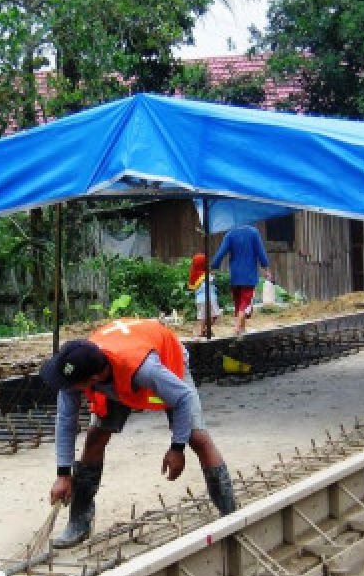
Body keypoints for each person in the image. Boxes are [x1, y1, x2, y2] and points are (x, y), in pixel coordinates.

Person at [40, 318, 237, 549]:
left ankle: (230, 515)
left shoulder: (146, 369)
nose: (66, 389)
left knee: (198, 438)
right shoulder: (75, 370)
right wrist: (63, 473)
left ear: (90, 381)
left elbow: (184, 398)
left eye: (71, 385)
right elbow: (66, 420)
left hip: (164, 358)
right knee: (95, 437)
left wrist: (177, 447)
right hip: (116, 368)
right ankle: (79, 523)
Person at [209, 224, 272, 336]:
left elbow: (220, 252)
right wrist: (266, 268)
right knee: (245, 302)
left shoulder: (230, 234)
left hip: (235, 274)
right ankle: (237, 328)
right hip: (249, 275)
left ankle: (242, 329)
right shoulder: (253, 232)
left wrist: (214, 266)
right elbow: (260, 252)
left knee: (238, 303)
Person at [186, 253, 220, 337]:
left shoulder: (194, 276)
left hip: (199, 300)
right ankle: (206, 329)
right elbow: (212, 280)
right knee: (215, 315)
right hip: (210, 298)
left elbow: (193, 287)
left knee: (202, 317)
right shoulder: (207, 275)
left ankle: (202, 331)